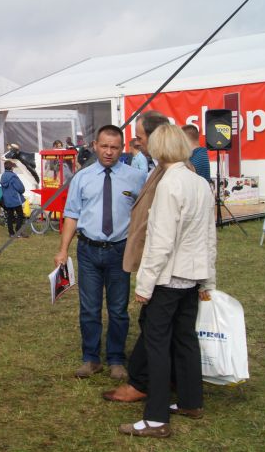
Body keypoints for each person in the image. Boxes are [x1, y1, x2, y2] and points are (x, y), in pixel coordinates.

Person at [117, 124, 216, 438]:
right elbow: (209, 237)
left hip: (169, 278)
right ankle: (191, 401)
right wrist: (208, 281)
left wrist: (144, 287)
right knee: (185, 339)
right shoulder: (200, 183)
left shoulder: (169, 184)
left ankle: (157, 418)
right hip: (193, 276)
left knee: (157, 344)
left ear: (159, 149)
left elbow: (160, 242)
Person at [53, 125, 147, 379]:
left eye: (114, 147)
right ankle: (91, 358)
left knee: (118, 309)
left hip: (120, 251)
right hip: (88, 251)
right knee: (89, 308)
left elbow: (144, 215)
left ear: (122, 148)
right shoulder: (82, 177)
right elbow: (72, 214)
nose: (108, 152)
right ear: (95, 145)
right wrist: (63, 250)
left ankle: (116, 359)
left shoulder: (137, 178)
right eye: (104, 146)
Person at [103, 110, 170, 402]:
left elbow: (163, 232)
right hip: (169, 269)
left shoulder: (169, 175)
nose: (137, 143)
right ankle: (186, 393)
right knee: (170, 330)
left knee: (153, 327)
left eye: (140, 138)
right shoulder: (165, 170)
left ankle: (144, 387)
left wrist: (146, 279)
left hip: (166, 270)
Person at [0, 160, 26, 238]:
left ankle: (11, 233)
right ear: (11, 167)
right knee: (20, 215)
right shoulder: (13, 176)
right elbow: (20, 188)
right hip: (15, 199)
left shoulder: (3, 176)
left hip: (7, 200)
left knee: (10, 216)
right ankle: (18, 230)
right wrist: (22, 191)